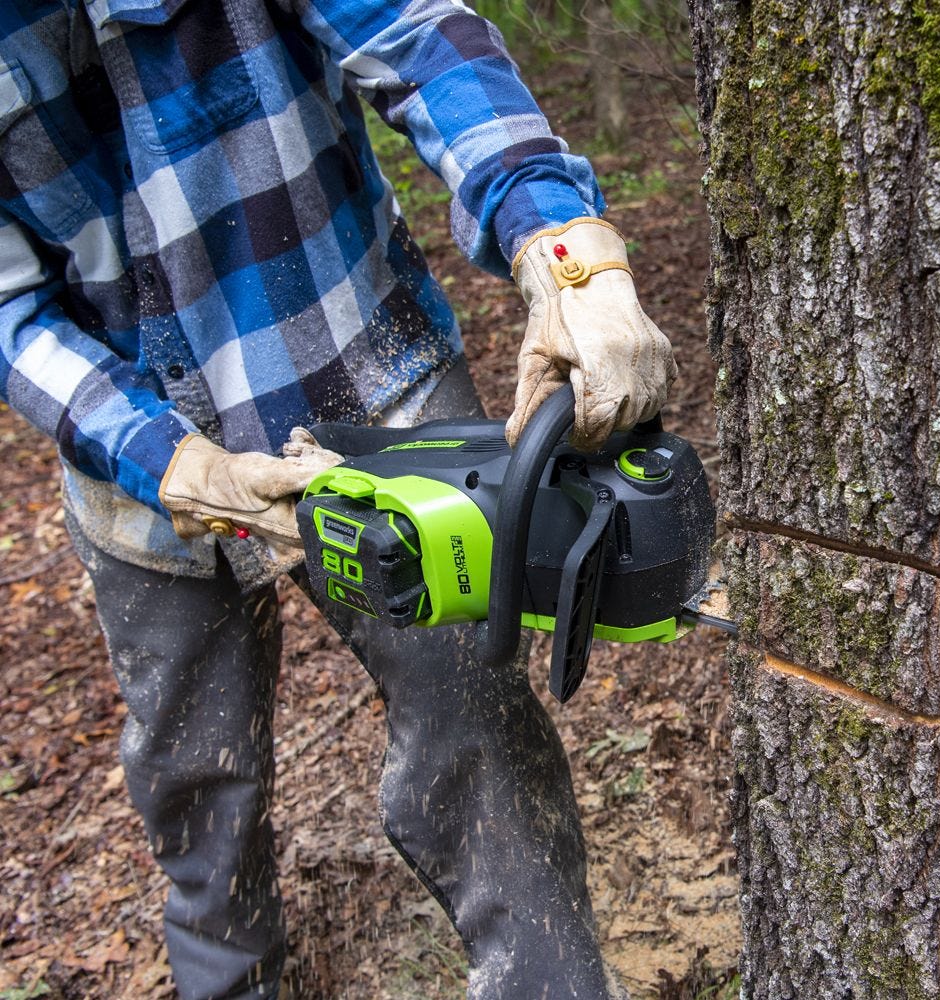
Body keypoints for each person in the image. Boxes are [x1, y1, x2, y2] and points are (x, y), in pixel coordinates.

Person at [0, 1, 675, 998]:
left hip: (364, 373)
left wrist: (565, 249)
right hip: (136, 476)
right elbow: (11, 311)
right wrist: (172, 463)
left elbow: (420, 35)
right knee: (199, 804)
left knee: (475, 736)